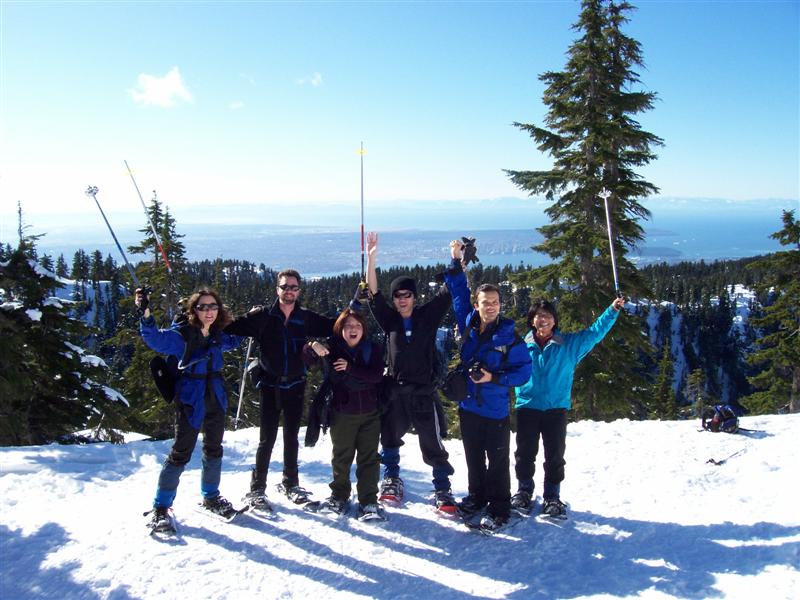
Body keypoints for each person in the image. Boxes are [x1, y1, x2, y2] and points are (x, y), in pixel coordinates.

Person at [366, 231, 463, 513]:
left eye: (406, 295)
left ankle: (442, 488)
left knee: (432, 442)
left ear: (414, 297)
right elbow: (373, 294)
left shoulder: (427, 317)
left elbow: (448, 291)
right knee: (390, 438)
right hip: (395, 392)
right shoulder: (390, 320)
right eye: (397, 296)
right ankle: (392, 479)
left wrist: (456, 260)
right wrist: (372, 259)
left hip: (423, 392)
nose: (401, 300)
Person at [224, 269, 335, 510]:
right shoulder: (263, 317)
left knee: (291, 437)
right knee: (267, 439)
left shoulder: (305, 317)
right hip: (270, 385)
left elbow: (334, 325)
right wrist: (201, 314)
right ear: (278, 289)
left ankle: (291, 483)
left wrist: (358, 302)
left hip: (296, 384)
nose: (289, 291)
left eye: (294, 287)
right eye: (285, 287)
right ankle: (257, 488)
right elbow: (232, 326)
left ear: (299, 290)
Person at [137, 287, 242, 532]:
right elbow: (155, 338)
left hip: (215, 397)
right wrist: (145, 314)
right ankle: (161, 507)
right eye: (203, 307)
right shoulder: (182, 336)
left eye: (213, 306)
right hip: (191, 399)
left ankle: (211, 496)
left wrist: (251, 320)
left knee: (214, 448)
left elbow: (236, 338)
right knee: (181, 451)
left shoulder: (217, 335)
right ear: (193, 310)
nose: (209, 311)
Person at [512, 296, 625, 518]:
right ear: (531, 321)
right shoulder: (520, 346)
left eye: (547, 316)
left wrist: (612, 310)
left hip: (556, 409)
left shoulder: (569, 345)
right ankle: (524, 491)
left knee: (554, 455)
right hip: (527, 406)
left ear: (555, 321)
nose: (543, 320)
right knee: (524, 454)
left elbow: (594, 333)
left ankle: (552, 496)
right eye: (538, 316)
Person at [444, 255, 532, 532]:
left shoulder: (509, 337)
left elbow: (524, 372)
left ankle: (499, 508)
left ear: (500, 305)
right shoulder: (469, 323)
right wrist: (456, 262)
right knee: (473, 458)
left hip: (495, 411)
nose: (490, 306)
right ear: (477, 305)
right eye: (485, 302)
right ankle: (477, 497)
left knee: (497, 461)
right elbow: (458, 294)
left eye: (495, 302)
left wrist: (493, 376)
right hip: (469, 407)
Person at [303, 309, 386, 519]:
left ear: (363, 329)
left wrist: (351, 369)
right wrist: (313, 345)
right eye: (348, 325)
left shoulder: (371, 348)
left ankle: (368, 501)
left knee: (369, 458)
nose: (353, 329)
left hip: (370, 413)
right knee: (342, 457)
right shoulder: (332, 349)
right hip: (342, 413)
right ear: (341, 329)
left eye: (357, 325)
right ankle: (339, 496)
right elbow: (307, 357)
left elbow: (376, 376)